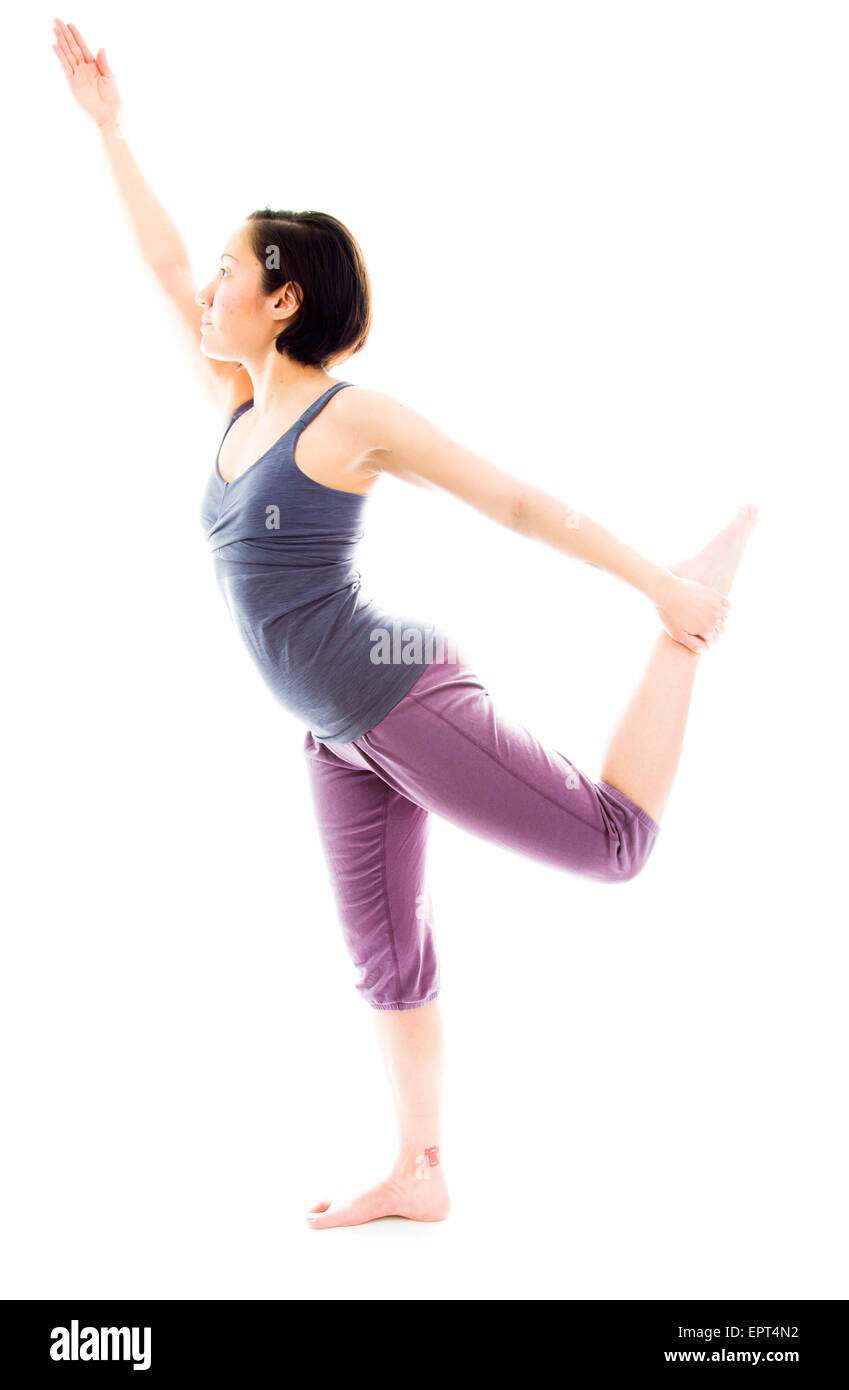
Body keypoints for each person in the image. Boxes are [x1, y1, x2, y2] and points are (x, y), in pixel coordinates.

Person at [52, 18, 757, 1230]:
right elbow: (163, 268)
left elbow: (519, 500)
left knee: (613, 845)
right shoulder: (232, 403)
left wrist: (656, 585)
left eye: (234, 268)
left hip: (393, 684)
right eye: (214, 271)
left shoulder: (348, 417)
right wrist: (110, 130)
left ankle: (687, 628)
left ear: (283, 297)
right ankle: (421, 1173)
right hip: (334, 729)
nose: (208, 286)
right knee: (388, 961)